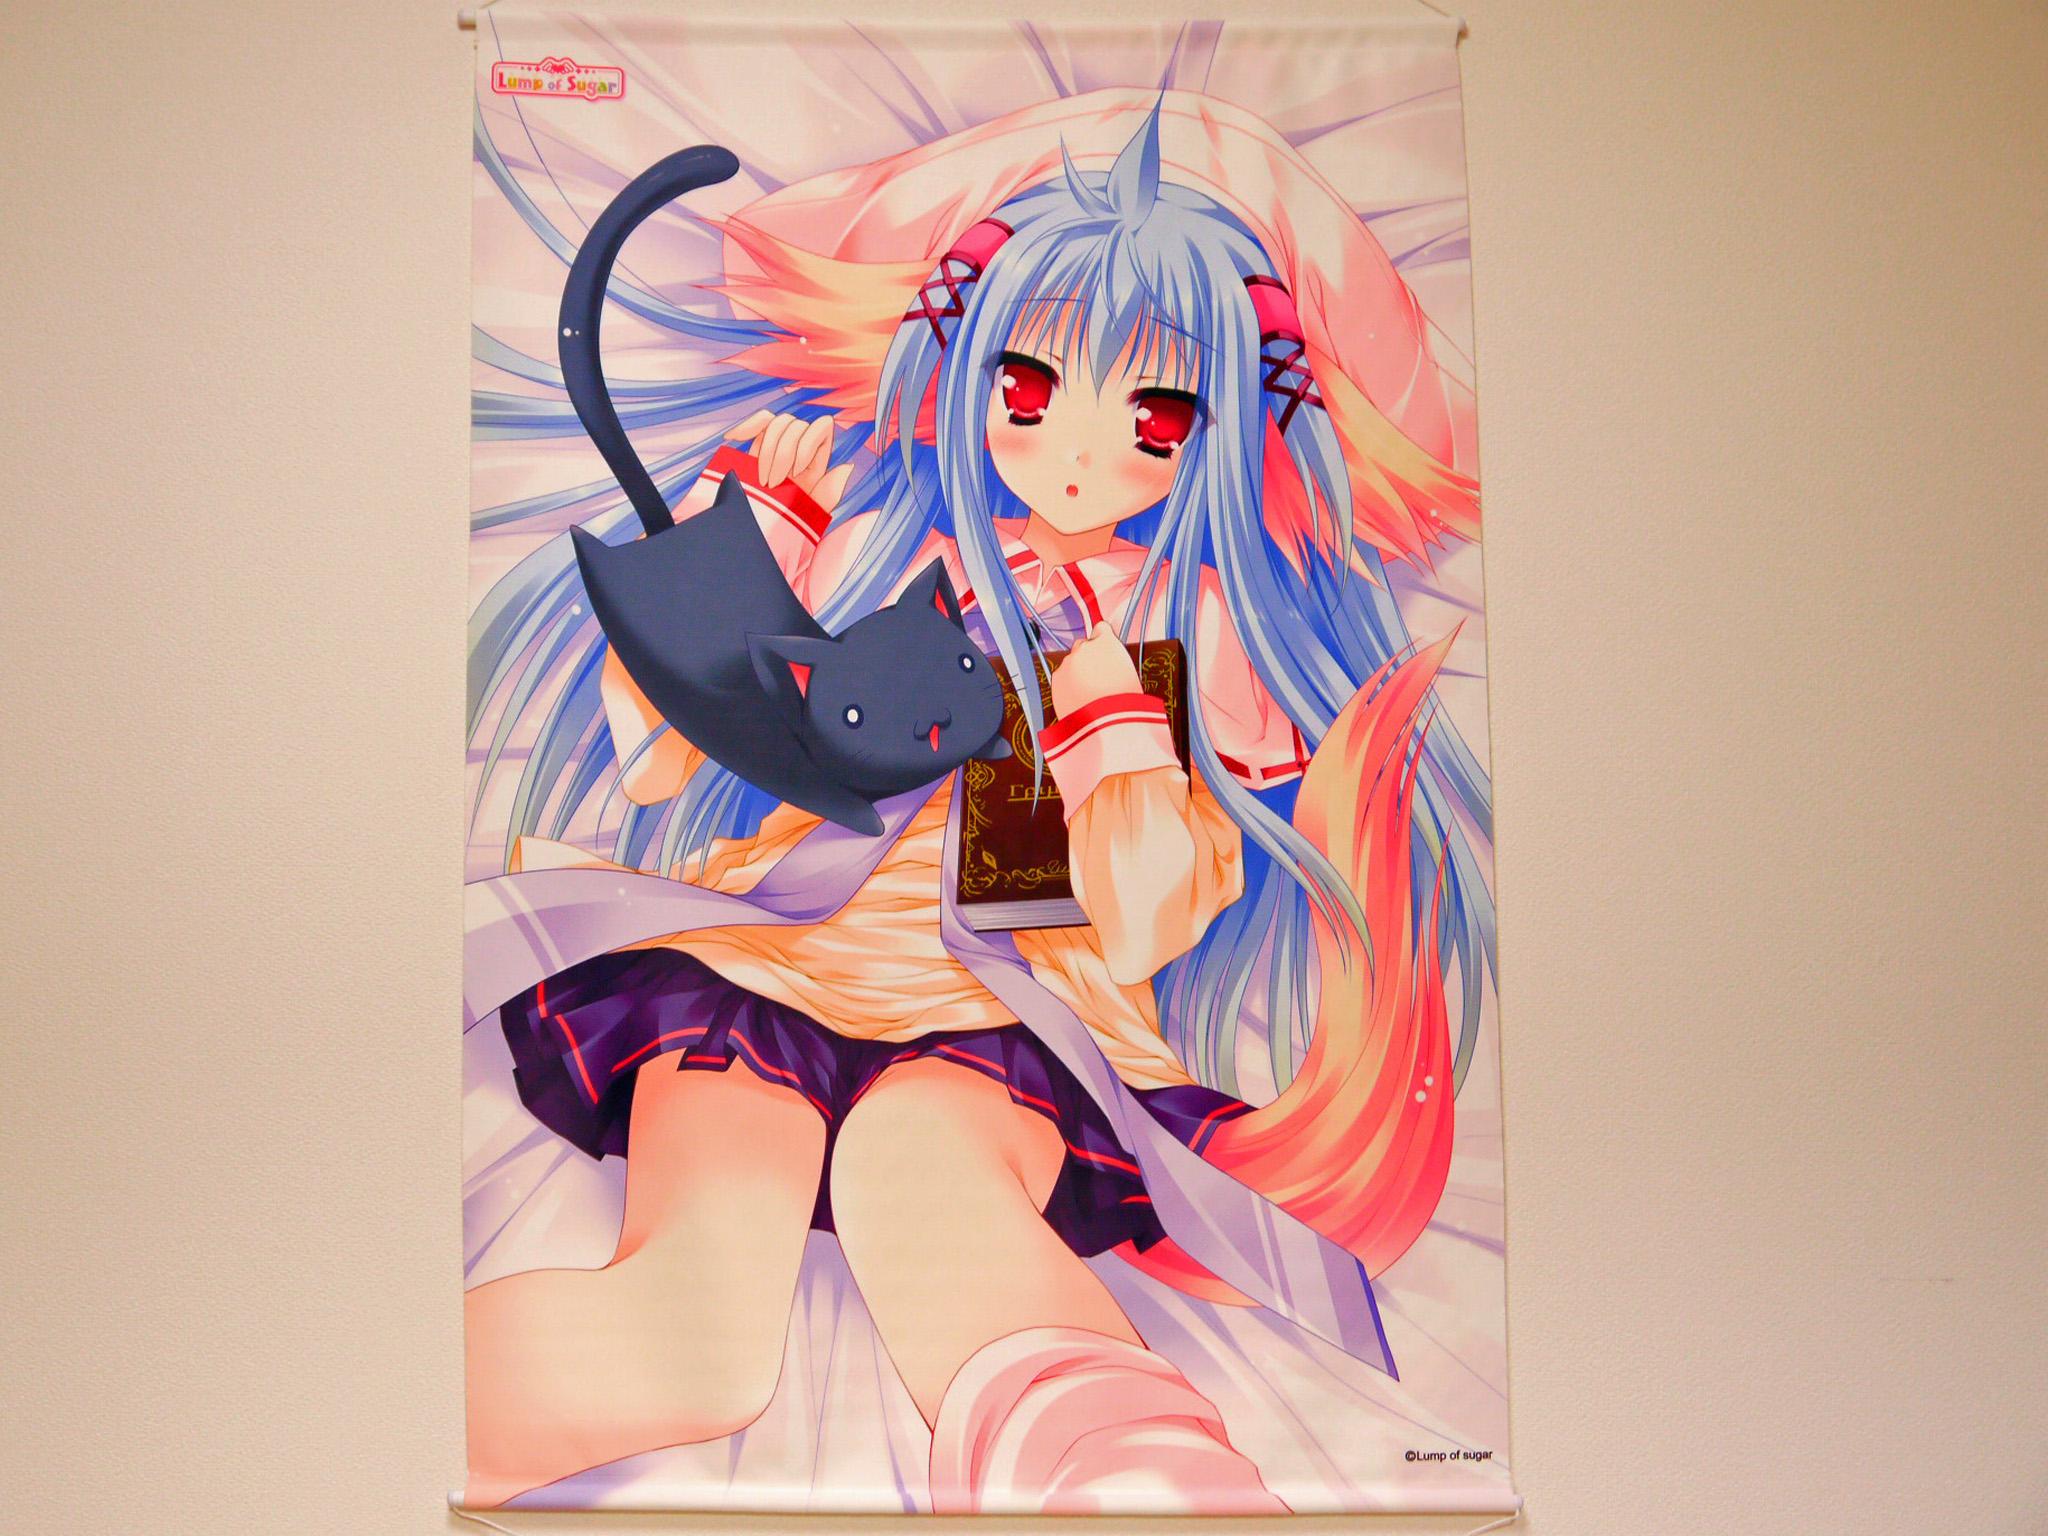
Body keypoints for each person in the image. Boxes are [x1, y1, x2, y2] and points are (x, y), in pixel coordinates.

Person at [462, 90, 1494, 1513]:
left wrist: (1112, 728)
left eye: (1155, 415)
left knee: (944, 1213)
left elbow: (1149, 925)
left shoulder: (1193, 629)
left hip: (1011, 1011)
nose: (1077, 454)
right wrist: (748, 572)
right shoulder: (892, 545)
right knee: (693, 1346)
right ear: (964, 365)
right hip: (775, 964)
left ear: (1219, 432)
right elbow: (662, 763)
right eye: (1028, 388)